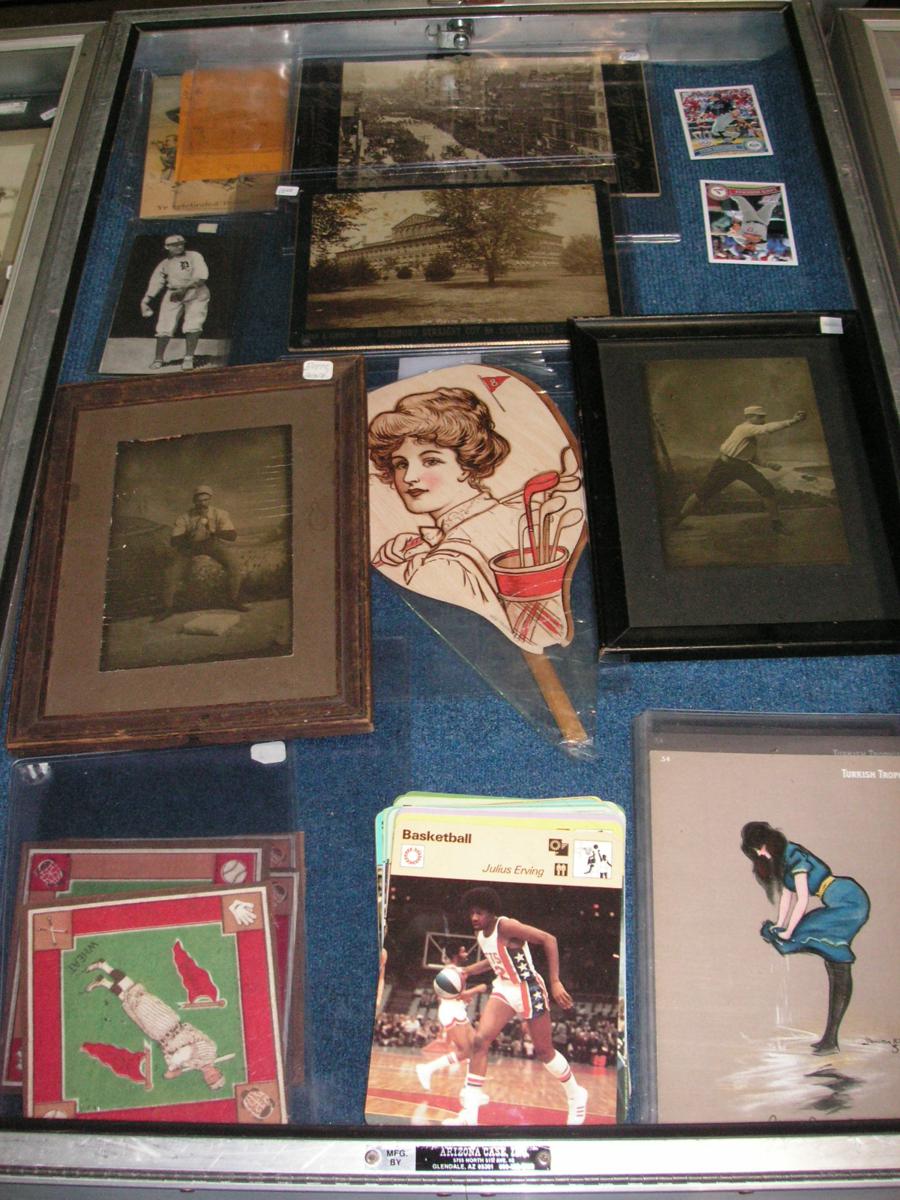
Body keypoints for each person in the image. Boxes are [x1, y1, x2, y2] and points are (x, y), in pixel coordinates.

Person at [368, 387, 566, 649]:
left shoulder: (442, 566)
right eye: (401, 464)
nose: (409, 477)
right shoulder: (519, 513)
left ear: (466, 465)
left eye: (431, 461)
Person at [448, 886, 588, 1125]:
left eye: (479, 912)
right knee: (479, 1042)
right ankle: (469, 1115)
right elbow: (494, 960)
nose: (474, 917)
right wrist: (467, 970)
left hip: (528, 988)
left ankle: (576, 1094)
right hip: (504, 987)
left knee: (545, 1052)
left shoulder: (506, 926)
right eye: (471, 913)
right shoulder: (480, 934)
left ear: (491, 912)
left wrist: (555, 981)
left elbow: (549, 939)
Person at [740, 821, 870, 1055]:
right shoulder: (782, 861)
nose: (759, 854)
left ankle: (831, 1039)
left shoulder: (794, 856)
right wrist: (780, 925)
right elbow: (787, 898)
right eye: (755, 851)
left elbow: (802, 900)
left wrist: (788, 932)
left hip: (848, 900)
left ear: (768, 842)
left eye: (759, 848)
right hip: (837, 902)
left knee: (808, 939)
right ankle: (830, 1039)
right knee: (833, 958)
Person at [84, 959, 226, 1089]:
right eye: (214, 1076)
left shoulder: (195, 1065)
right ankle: (104, 965)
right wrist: (174, 1067)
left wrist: (173, 1069)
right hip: (168, 1024)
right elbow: (185, 1051)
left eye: (210, 1081)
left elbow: (171, 1055)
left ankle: (104, 982)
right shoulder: (210, 1053)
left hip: (159, 1035)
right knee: (138, 997)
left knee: (132, 1007)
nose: (210, 1077)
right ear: (218, 1071)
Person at [674, 404, 807, 531]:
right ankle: (676, 522)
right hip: (725, 466)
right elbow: (767, 428)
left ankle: (776, 525)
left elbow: (751, 457)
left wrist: (768, 465)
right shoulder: (744, 428)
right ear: (749, 417)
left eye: (763, 417)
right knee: (702, 494)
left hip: (742, 467)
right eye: (760, 417)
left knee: (767, 490)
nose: (763, 420)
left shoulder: (750, 435)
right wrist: (793, 421)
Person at [152, 484, 247, 622]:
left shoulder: (219, 513)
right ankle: (167, 608)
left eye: (205, 500)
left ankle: (233, 600)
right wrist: (191, 534)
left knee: (235, 565)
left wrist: (213, 531)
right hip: (189, 547)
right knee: (171, 573)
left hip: (212, 544)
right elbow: (174, 541)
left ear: (210, 500)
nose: (202, 503)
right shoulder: (184, 517)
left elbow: (232, 536)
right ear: (194, 501)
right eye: (199, 500)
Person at [140, 233, 209, 370]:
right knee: (164, 326)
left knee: (193, 324)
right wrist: (146, 300)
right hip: (173, 293)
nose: (179, 246)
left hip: (196, 292)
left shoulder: (194, 256)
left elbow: (201, 276)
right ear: (167, 247)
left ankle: (188, 358)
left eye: (181, 243)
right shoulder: (165, 263)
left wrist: (184, 289)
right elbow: (156, 282)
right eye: (175, 245)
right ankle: (158, 359)